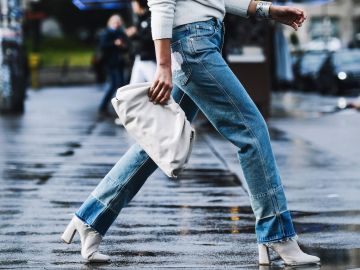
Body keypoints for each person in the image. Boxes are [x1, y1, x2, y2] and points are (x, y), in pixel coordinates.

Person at [61, 0, 321, 266]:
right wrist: (162, 64)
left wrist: (268, 10)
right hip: (193, 46)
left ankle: (90, 218)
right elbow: (162, 2)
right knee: (251, 132)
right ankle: (277, 234)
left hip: (199, 42)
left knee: (158, 141)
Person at [98, 15, 128, 117]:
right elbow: (103, 46)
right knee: (114, 85)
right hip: (110, 63)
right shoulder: (106, 33)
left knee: (120, 85)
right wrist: (115, 44)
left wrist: (122, 46)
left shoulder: (121, 33)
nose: (117, 24)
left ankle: (120, 108)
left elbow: (126, 47)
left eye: (118, 22)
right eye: (115, 22)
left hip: (119, 62)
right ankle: (103, 106)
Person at [126, 0, 157, 83]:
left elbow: (150, 38)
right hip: (139, 58)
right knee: (133, 87)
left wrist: (135, 34)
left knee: (156, 85)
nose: (133, 6)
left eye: (134, 4)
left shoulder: (149, 18)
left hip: (148, 58)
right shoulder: (139, 19)